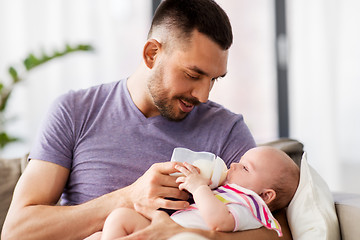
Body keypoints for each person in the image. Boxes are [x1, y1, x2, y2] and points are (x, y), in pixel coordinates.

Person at [1, 1, 293, 240]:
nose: (203, 95)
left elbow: (278, 232)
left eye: (213, 79)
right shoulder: (75, 112)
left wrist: (193, 235)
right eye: (193, 75)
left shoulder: (227, 130)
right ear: (152, 53)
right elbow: (17, 231)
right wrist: (128, 198)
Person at [87, 146, 300, 240]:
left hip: (182, 236)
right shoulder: (227, 191)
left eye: (245, 168)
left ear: (266, 196)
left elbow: (219, 222)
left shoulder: (250, 207)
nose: (234, 165)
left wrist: (199, 188)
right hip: (162, 230)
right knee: (111, 225)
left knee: (119, 220)